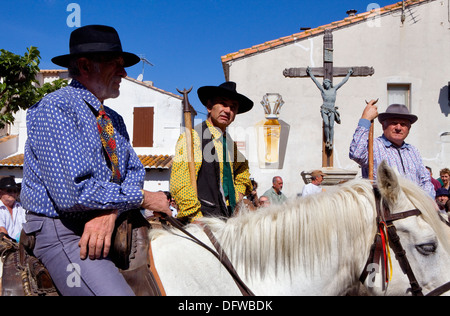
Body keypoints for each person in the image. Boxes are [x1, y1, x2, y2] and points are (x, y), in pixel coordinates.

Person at [20, 25, 171, 296]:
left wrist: (109, 212)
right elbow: (75, 194)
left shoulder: (114, 119)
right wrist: (143, 199)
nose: (124, 73)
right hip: (63, 231)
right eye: (116, 64)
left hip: (109, 223)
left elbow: (134, 174)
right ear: (85, 65)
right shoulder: (56, 108)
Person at [170, 81, 253, 222]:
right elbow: (180, 183)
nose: (228, 110)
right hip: (202, 221)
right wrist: (196, 217)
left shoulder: (229, 143)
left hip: (227, 219)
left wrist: (237, 195)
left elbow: (243, 171)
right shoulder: (193, 137)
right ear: (209, 107)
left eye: (233, 107)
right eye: (223, 104)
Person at [349, 102, 435, 198]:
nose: (398, 128)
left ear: (409, 128)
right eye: (394, 123)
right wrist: (365, 119)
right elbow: (356, 153)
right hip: (385, 209)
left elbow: (425, 180)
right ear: (383, 125)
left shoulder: (413, 151)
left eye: (403, 124)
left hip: (414, 209)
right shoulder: (374, 146)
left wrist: (429, 200)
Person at [307, 66, 353, 150]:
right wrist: (310, 73)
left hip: (332, 110)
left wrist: (348, 74)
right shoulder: (323, 90)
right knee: (326, 124)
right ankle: (327, 140)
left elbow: (343, 82)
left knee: (331, 125)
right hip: (324, 109)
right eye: (324, 83)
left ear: (330, 83)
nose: (325, 84)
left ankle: (331, 141)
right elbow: (316, 82)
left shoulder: (334, 89)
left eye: (327, 82)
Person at [0, 177, 26, 241]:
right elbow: (1, 231)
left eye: (15, 191)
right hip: (5, 247)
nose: (13, 193)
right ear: (0, 192)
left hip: (22, 246)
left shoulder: (22, 207)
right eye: (9, 191)